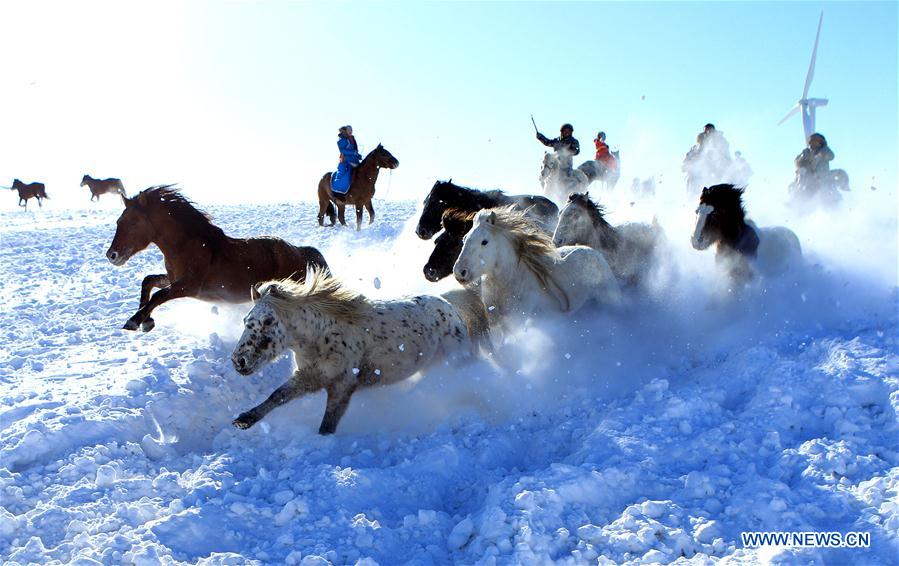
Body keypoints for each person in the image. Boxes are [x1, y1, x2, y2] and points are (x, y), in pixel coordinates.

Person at [331, 125, 362, 198]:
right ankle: (339, 191)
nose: (351, 131)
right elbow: (342, 150)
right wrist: (353, 153)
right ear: (346, 131)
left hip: (355, 160)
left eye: (351, 130)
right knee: (346, 175)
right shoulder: (342, 139)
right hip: (346, 161)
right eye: (349, 130)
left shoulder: (352, 139)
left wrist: (357, 155)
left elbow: (354, 149)